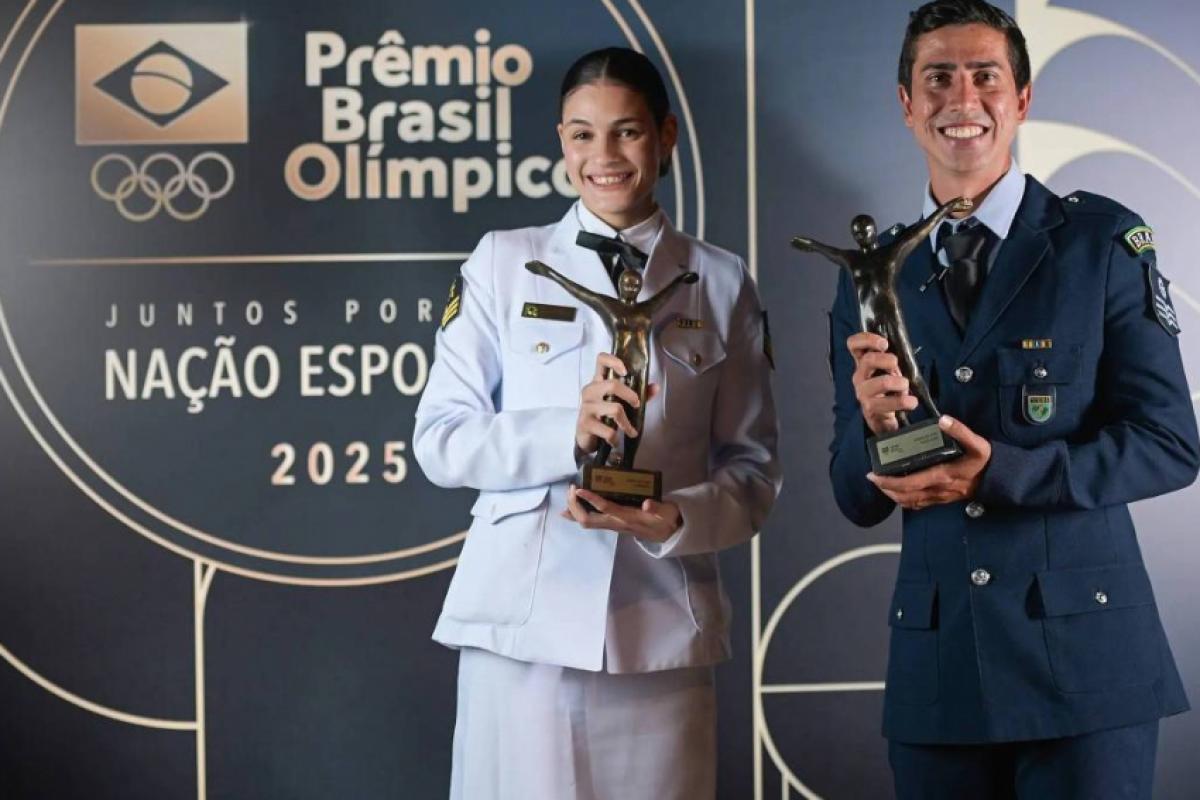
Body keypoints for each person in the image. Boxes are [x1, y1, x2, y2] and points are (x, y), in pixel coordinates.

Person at [825, 1, 1200, 797]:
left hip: (1086, 670)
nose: (962, 99)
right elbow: (850, 494)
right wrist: (871, 427)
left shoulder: (1100, 243)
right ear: (906, 103)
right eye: (938, 78)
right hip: (941, 675)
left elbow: (1170, 443)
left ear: (1021, 99)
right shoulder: (867, 276)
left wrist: (1002, 473)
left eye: (984, 76)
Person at [414, 46, 779, 800]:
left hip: (660, 634)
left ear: (667, 136)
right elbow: (441, 439)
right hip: (520, 632)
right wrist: (562, 433)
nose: (603, 156)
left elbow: (754, 468)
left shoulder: (719, 279)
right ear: (560, 142)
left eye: (627, 132)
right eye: (581, 135)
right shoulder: (502, 263)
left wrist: (678, 516)